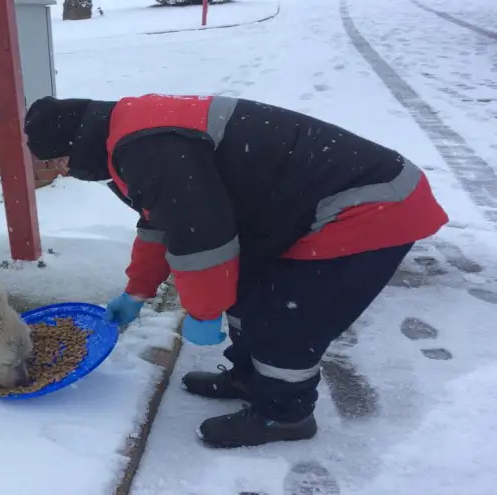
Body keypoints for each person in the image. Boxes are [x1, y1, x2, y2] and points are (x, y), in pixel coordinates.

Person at [23, 93, 448, 448]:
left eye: (58, 161)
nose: (62, 172)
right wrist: (137, 290)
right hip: (301, 207)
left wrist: (205, 311)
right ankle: (250, 378)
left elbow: (200, 237)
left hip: (368, 206)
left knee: (290, 316)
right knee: (248, 290)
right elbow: (162, 221)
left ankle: (285, 416)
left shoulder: (145, 147)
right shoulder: (127, 136)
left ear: (76, 144)